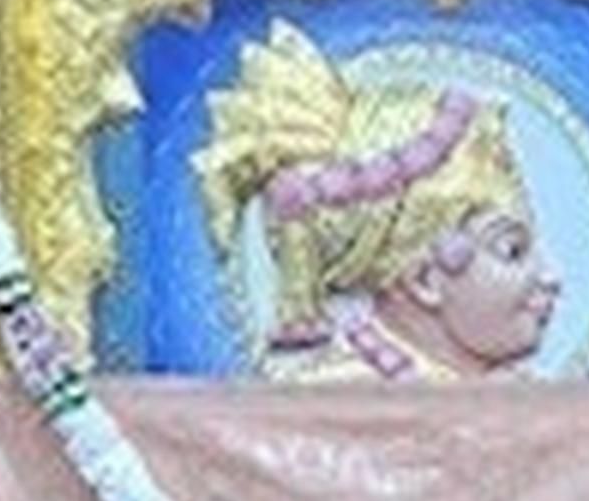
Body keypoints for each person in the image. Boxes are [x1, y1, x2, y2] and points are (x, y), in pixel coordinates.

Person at [194, 20, 561, 377]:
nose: (552, 277)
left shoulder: (515, 394)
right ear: (424, 281)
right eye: (512, 250)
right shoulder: (334, 397)